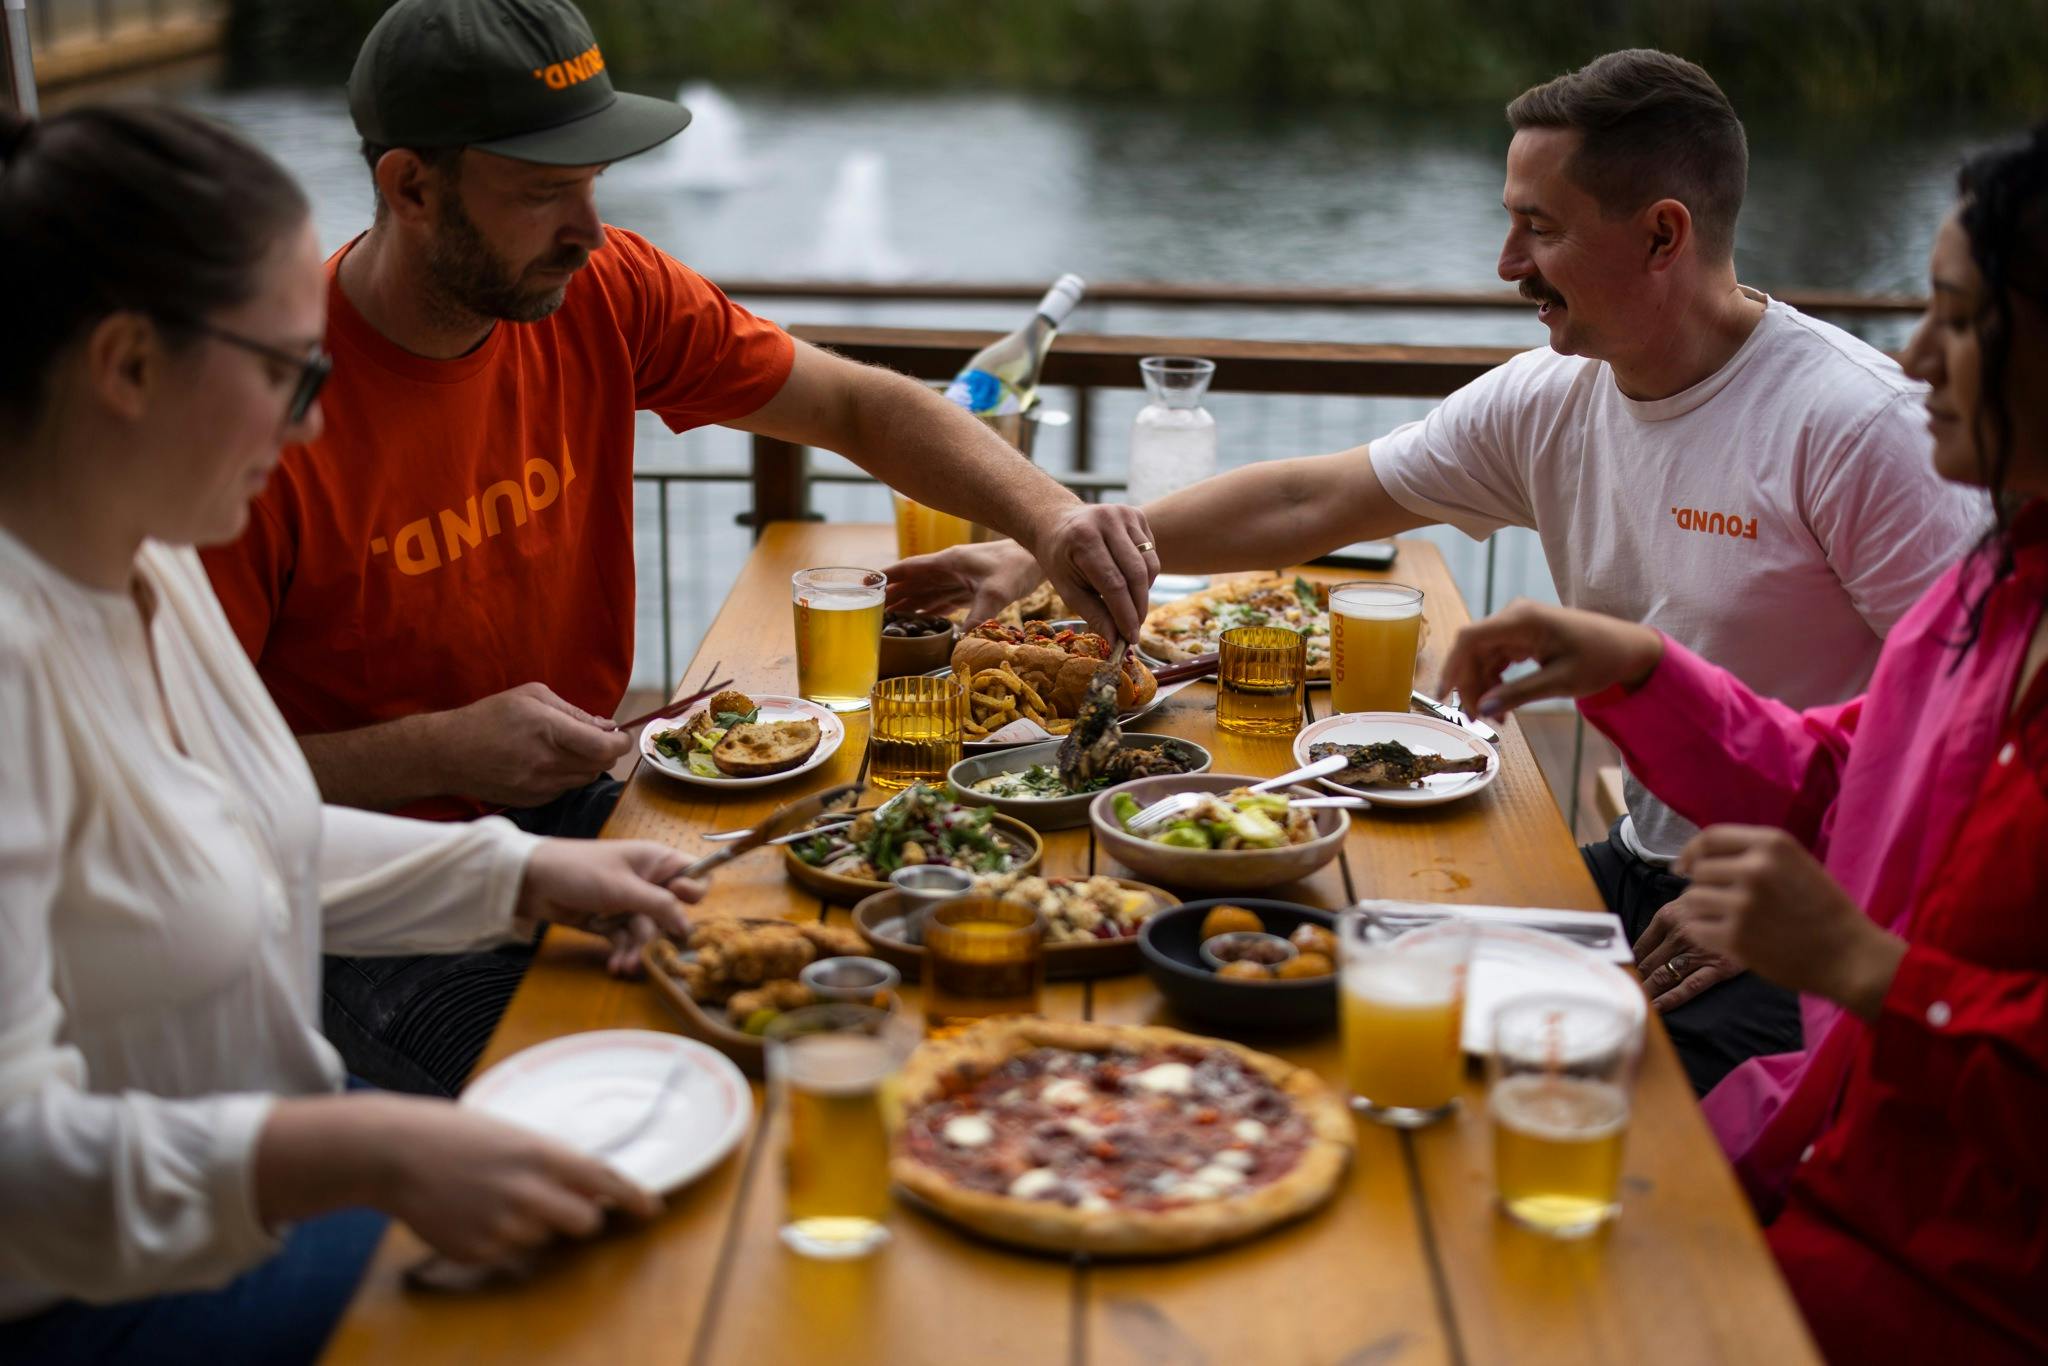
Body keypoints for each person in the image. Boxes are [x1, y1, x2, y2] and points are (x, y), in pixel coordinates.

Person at [887, 48, 1983, 1095]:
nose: (1506, 267)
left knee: (1596, 1143)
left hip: (1818, 927)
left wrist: (1817, 909)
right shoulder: (1552, 395)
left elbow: (1982, 736)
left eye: (1535, 230)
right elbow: (1309, 500)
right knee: (1317, 971)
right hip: (1644, 869)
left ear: (1661, 235)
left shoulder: (1854, 428)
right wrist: (1042, 540)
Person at [200, 0, 1157, 1095]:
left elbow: (855, 406)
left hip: (574, 808)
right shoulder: (262, 416)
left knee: (858, 968)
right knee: (612, 1082)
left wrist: (1050, 516)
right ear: (411, 187)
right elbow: (176, 793)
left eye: (595, 181)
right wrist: (436, 752)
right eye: (542, 190)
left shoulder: (601, 291)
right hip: (349, 900)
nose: (589, 230)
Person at [0, 103, 712, 1363]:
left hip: (270, 1158)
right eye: (292, 370)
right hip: (109, 1296)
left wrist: (528, 873)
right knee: (635, 1298)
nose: (319, 423)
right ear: (127, 364)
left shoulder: (150, 561)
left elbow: (239, 834)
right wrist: (371, 1149)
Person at [1437, 125, 2048, 1364]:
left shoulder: (1878, 457)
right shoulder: (1993, 581)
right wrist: (1641, 671)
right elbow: (1838, 774)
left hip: (1951, 1274)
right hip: (1814, 1152)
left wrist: (1865, 967)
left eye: (1964, 323)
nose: (1917, 361)